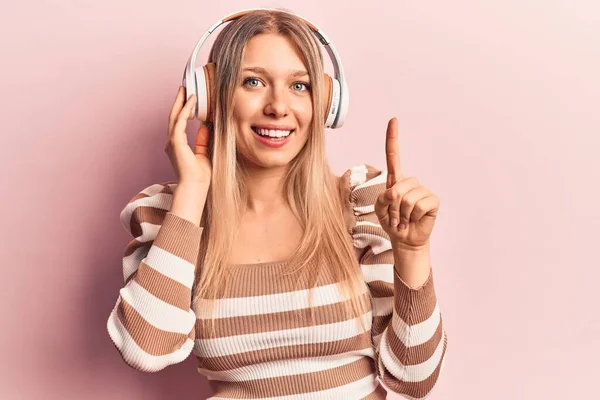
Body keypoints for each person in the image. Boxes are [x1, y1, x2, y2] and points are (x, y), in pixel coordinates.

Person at [107, 8, 447, 399]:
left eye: (299, 86)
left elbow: (413, 378)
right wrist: (193, 192)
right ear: (209, 97)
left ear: (325, 105)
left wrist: (413, 251)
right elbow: (146, 349)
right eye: (253, 82)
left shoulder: (361, 206)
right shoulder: (170, 215)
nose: (278, 107)